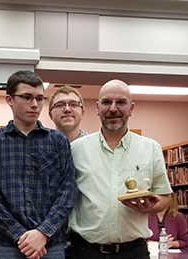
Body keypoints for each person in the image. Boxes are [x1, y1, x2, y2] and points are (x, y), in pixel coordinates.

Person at [69, 79, 172, 259]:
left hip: (133, 252)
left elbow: (165, 196)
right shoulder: (76, 149)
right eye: (107, 102)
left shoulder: (151, 149)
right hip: (85, 252)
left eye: (121, 102)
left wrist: (152, 206)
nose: (113, 108)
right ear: (97, 107)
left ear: (131, 108)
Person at [0, 70, 76, 259]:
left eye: (40, 98)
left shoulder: (57, 141)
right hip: (6, 245)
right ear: (9, 99)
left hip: (50, 244)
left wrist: (43, 232)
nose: (34, 104)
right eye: (26, 97)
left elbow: (67, 192)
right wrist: (19, 235)